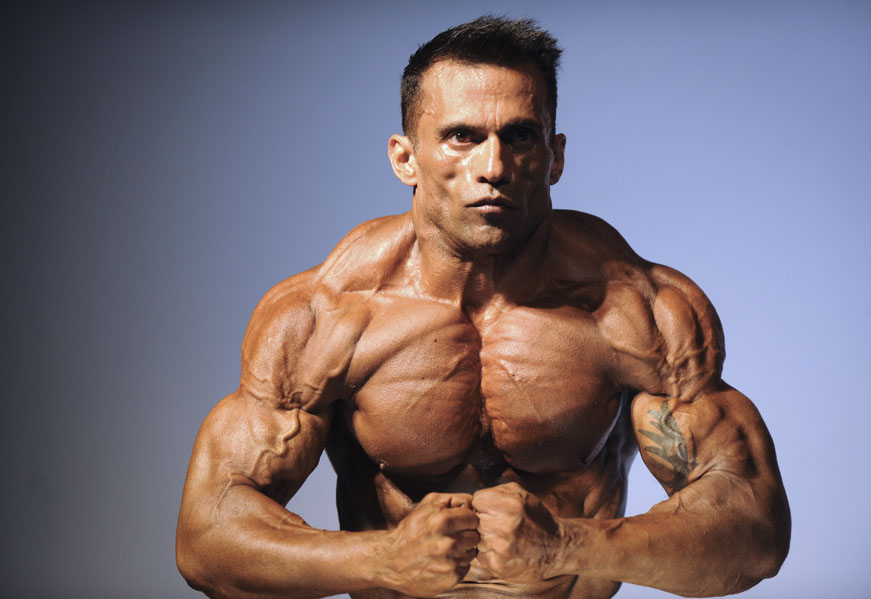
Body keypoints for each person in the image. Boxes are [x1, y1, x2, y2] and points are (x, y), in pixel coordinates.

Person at [176, 16, 790, 599]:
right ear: (404, 158)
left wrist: (570, 548)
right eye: (461, 137)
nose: (493, 167)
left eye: (520, 136)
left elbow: (755, 531)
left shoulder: (639, 311)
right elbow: (206, 540)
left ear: (555, 156)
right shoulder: (326, 317)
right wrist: (379, 559)